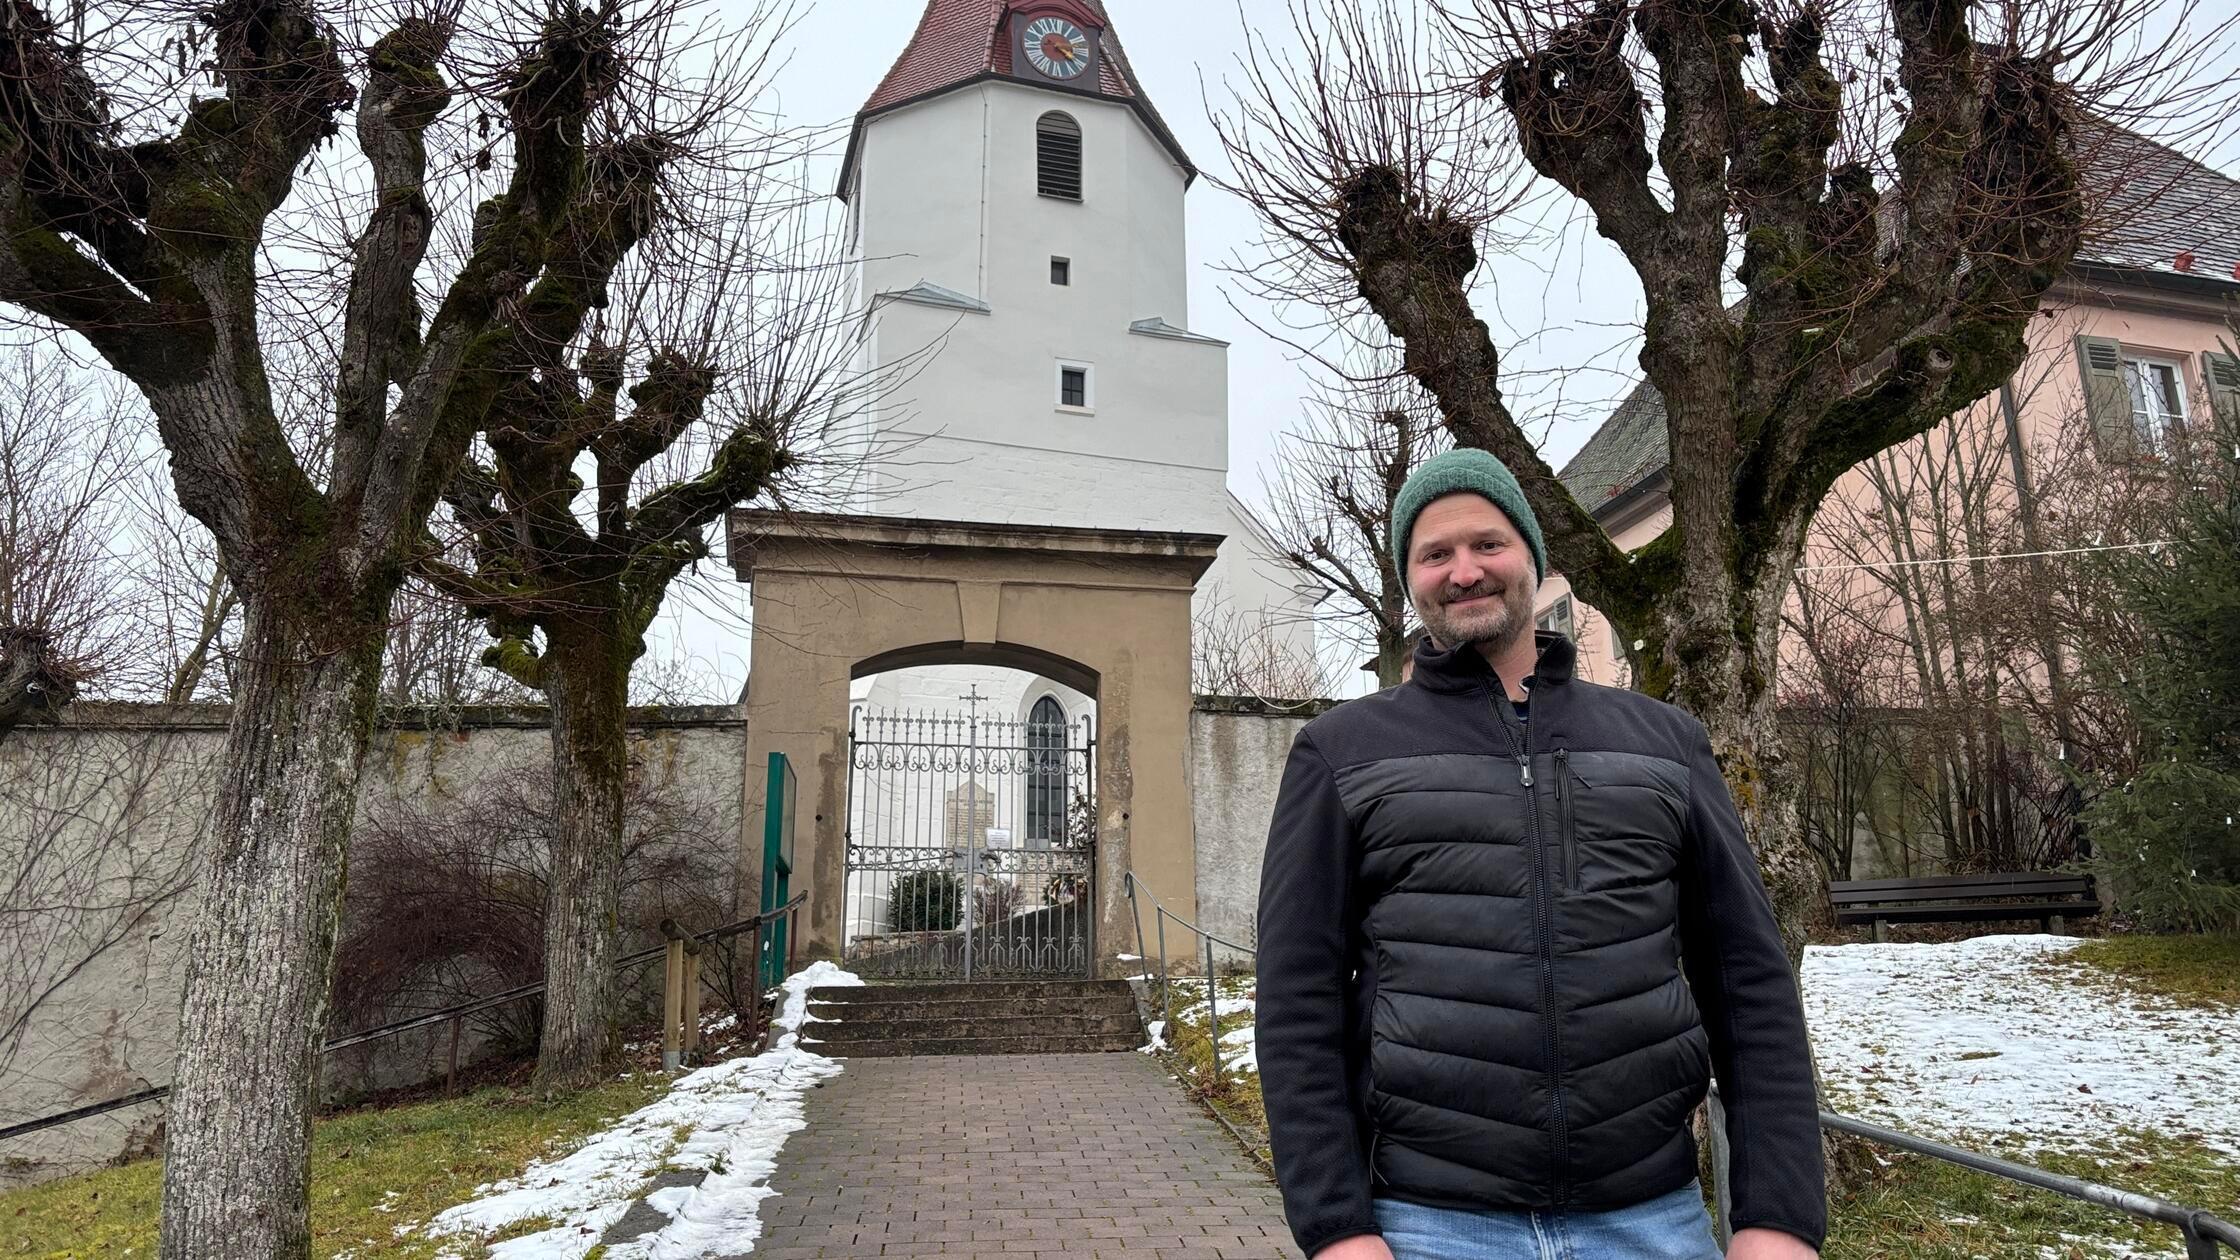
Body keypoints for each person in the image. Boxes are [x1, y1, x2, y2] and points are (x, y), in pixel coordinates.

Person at [1255, 449, 1825, 1260]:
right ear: (1411, 578)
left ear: (1532, 555)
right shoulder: (1339, 752)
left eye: (1487, 543)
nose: (1464, 571)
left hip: (1650, 1220)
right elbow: (1295, 1005)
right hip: (1427, 1226)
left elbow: (1750, 986)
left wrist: (1778, 1217)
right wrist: (1337, 1230)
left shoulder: (1667, 744)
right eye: (1435, 554)